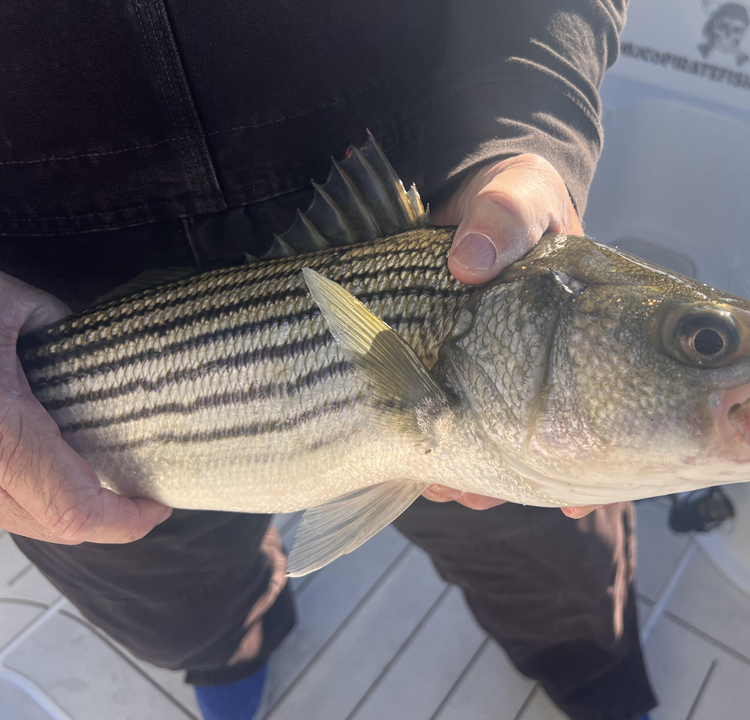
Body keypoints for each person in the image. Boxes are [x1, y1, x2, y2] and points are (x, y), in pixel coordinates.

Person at [0, 2, 657, 719]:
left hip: (446, 202)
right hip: (41, 309)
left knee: (553, 564)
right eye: (702, 341)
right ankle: (232, 649)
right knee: (171, 599)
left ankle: (594, 672)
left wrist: (527, 132)